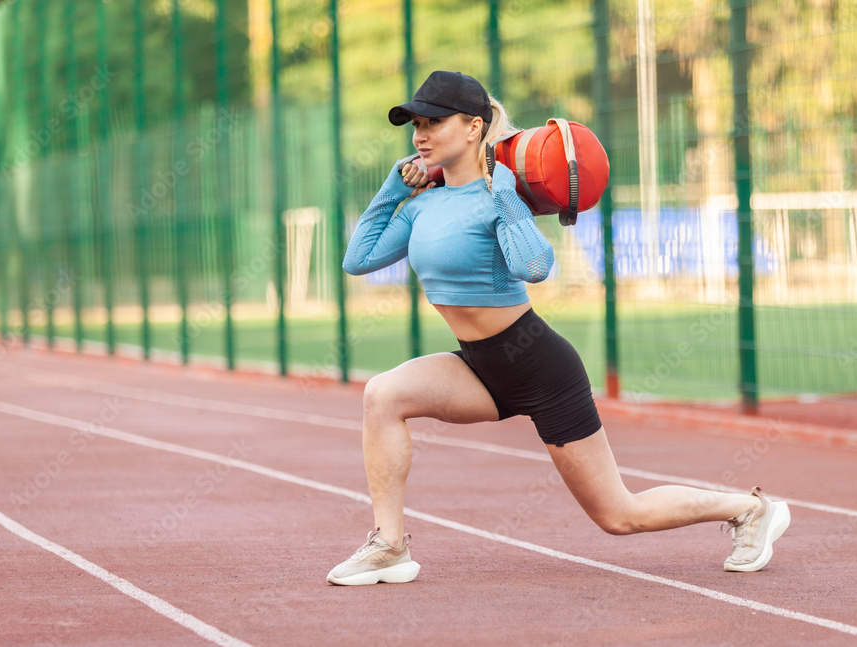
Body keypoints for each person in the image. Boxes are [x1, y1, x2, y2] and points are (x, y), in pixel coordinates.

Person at [327, 70, 790, 586]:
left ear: (474, 127)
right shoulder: (424, 206)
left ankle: (749, 509)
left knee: (619, 514)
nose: (421, 134)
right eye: (416, 124)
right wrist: (395, 185)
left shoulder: (501, 196)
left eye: (434, 122)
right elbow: (358, 258)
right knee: (383, 395)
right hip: (478, 367)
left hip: (541, 367)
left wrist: (504, 197)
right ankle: (390, 545)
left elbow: (534, 267)